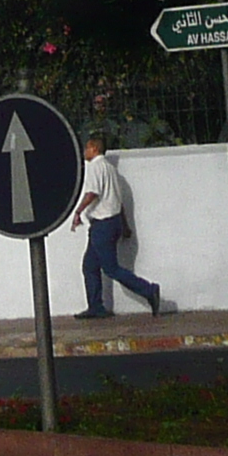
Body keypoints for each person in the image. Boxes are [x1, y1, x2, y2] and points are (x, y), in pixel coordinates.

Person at [70, 134, 166, 319]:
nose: (84, 152)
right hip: (110, 223)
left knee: (111, 268)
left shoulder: (96, 167)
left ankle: (149, 290)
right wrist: (125, 225)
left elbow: (93, 193)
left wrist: (78, 211)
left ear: (94, 149)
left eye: (86, 148)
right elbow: (117, 200)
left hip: (102, 225)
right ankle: (96, 307)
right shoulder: (110, 170)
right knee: (89, 265)